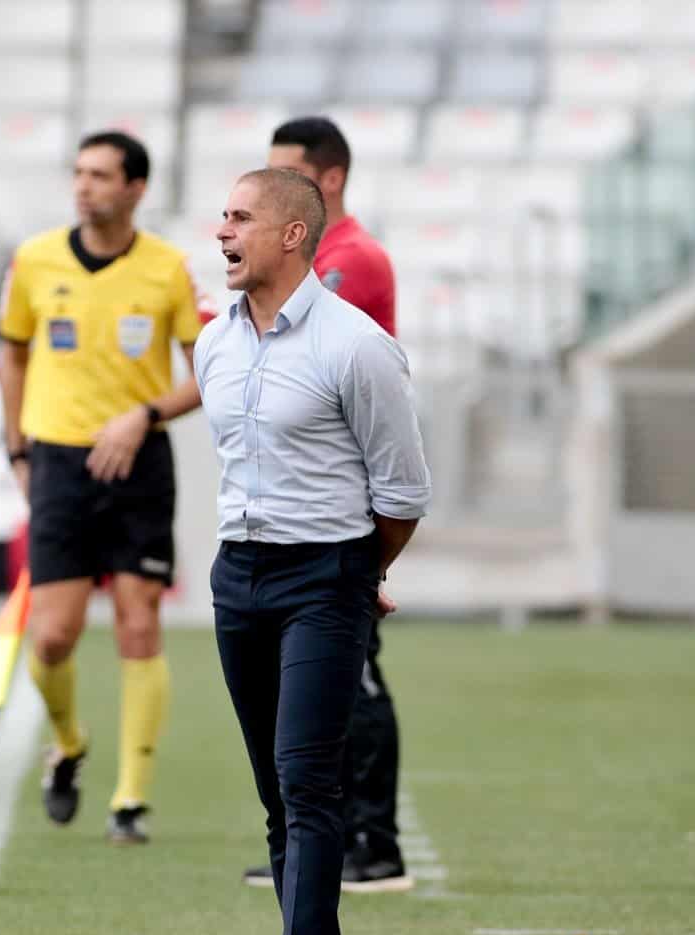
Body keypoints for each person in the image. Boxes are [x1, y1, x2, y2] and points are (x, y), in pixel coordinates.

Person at [195, 168, 430, 935]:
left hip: (324, 579)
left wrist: (358, 574)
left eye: (240, 218)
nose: (222, 231)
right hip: (239, 577)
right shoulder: (213, 344)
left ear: (293, 235)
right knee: (276, 797)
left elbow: (403, 490)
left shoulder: (356, 346)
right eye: (224, 216)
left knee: (308, 781)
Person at [0, 131, 212, 845]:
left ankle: (130, 800)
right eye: (79, 172)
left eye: (100, 175)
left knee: (139, 622)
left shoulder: (167, 270)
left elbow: (205, 372)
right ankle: (69, 744)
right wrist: (18, 450)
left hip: (139, 463)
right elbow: (14, 357)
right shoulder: (34, 260)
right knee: (53, 636)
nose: (84, 186)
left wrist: (143, 416)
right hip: (58, 463)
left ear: (136, 189)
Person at [236, 115, 412, 893]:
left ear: (327, 180)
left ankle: (375, 842)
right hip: (308, 519)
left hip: (342, 516)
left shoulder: (352, 265)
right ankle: (326, 846)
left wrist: (366, 561)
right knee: (326, 691)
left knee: (359, 679)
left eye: (289, 177)